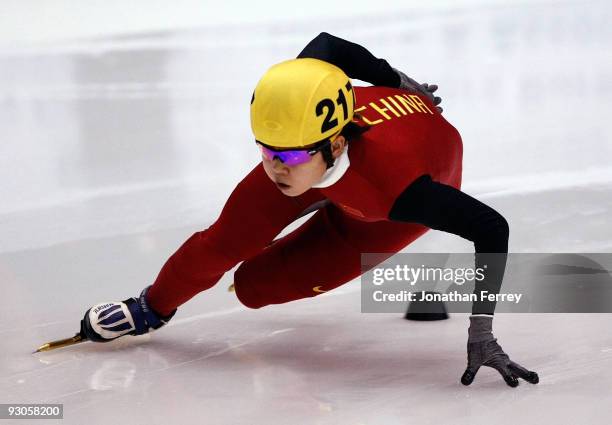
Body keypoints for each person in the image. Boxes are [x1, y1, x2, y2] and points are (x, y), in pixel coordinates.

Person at [80, 33, 538, 387]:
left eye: (291, 156)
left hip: (384, 206)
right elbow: (325, 46)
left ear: (336, 143)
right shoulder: (298, 134)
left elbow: (492, 228)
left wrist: (482, 332)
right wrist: (397, 81)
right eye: (266, 151)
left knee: (253, 288)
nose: (277, 167)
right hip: (350, 149)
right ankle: (150, 307)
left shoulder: (400, 191)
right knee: (224, 241)